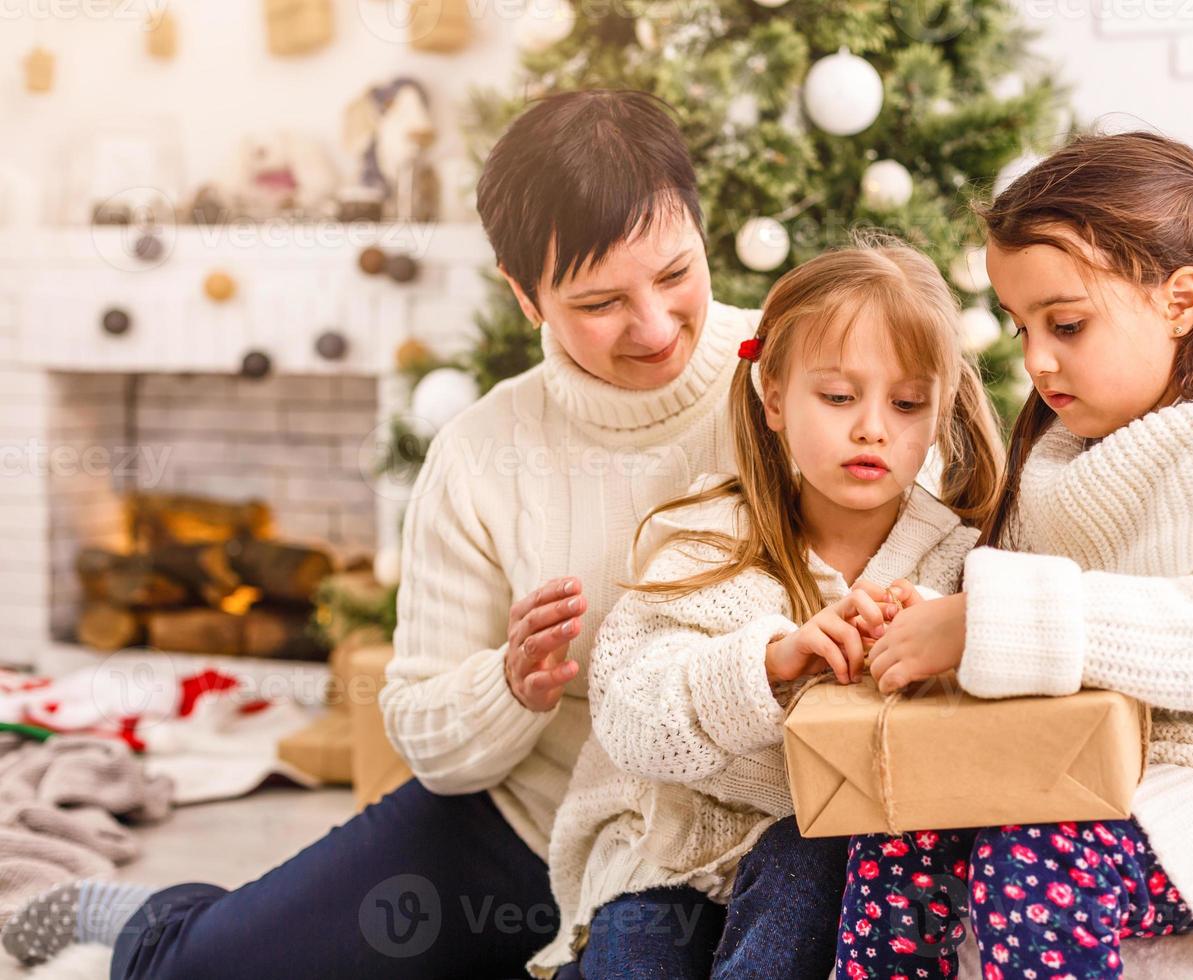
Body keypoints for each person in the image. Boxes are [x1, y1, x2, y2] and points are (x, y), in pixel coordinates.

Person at [1, 90, 848, 980]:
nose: (652, 326)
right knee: (209, 971)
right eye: (599, 301)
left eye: (676, 274)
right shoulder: (482, 454)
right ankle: (156, 924)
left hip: (748, 833)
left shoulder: (806, 380)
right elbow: (422, 729)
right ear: (524, 296)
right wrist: (510, 686)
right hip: (531, 821)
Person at [832, 131, 1193, 980]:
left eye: (1065, 323)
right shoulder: (1060, 450)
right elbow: (1016, 591)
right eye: (1020, 325)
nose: (1034, 359)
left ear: (1180, 301)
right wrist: (926, 613)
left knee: (1033, 855)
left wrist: (986, 621)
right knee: (900, 830)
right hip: (1094, 748)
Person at [526, 234, 1006, 979]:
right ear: (775, 398)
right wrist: (771, 661)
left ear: (940, 413)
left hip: (829, 859)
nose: (873, 426)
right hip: (673, 856)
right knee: (633, 960)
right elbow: (628, 717)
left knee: (807, 853)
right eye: (839, 397)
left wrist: (936, 646)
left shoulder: (957, 565)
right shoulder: (707, 536)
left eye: (907, 403)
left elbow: (982, 747)